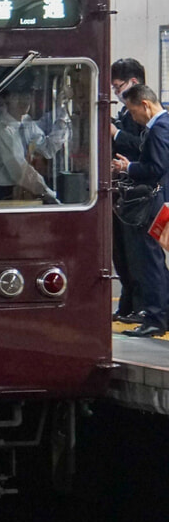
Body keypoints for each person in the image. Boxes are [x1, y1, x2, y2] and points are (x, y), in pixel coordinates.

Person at [112, 82, 169, 337]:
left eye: (133, 111)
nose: (132, 117)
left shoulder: (159, 130)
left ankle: (156, 318)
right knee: (156, 259)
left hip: (156, 203)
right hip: (162, 200)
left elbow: (155, 168)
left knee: (151, 260)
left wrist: (128, 168)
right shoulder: (163, 125)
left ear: (145, 105)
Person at [0, 82, 70, 203]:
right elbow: (20, 171)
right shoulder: (3, 130)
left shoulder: (26, 121)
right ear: (5, 100)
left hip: (18, 189)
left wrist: (62, 113)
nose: (23, 101)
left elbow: (47, 149)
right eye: (16, 96)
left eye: (27, 96)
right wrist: (47, 194)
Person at [110, 58, 147, 321]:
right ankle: (128, 305)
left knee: (140, 256)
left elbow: (141, 148)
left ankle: (148, 308)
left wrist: (115, 134)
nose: (115, 93)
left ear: (133, 82)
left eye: (117, 86)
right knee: (122, 254)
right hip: (126, 191)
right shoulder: (125, 113)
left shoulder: (146, 113)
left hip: (142, 193)